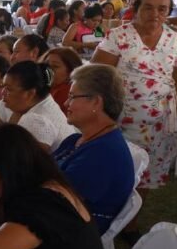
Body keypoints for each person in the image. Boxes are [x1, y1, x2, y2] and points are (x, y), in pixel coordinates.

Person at [93, 0, 177, 190]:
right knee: (116, 178)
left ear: (169, 11)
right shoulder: (118, 36)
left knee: (145, 179)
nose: (155, 14)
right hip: (121, 122)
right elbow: (97, 78)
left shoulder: (175, 41)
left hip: (161, 125)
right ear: (136, 8)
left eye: (162, 9)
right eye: (148, 8)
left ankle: (132, 220)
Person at [52, 64, 135, 235]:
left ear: (96, 102)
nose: (66, 102)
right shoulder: (76, 140)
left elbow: (57, 202)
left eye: (72, 96)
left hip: (69, 235)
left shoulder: (104, 154)